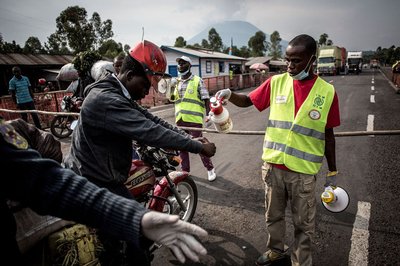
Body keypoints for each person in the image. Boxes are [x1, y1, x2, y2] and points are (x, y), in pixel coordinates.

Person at [64, 40, 216, 265]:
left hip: (97, 169)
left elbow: (151, 120)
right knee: (139, 232)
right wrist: (198, 147)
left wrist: (187, 138)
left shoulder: (115, 90)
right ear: (130, 75)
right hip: (95, 180)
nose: (149, 91)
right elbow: (150, 131)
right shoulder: (107, 99)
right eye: (147, 84)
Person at [0, 118, 208, 265]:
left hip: (80, 172)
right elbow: (148, 127)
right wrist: (137, 219)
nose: (148, 86)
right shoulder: (108, 98)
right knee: (137, 248)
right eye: (147, 80)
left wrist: (137, 219)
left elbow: (44, 179)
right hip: (100, 175)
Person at [216, 34, 340, 266]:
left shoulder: (328, 93)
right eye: (287, 60)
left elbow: (329, 136)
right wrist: (229, 95)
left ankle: (301, 261)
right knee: (273, 216)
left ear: (312, 60)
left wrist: (332, 172)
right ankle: (275, 250)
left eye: (296, 61)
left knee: (304, 223)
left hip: (303, 172)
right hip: (273, 167)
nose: (290, 66)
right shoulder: (276, 82)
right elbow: (248, 101)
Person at [170, 55, 217, 181]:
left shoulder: (197, 80)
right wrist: (170, 87)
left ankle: (210, 168)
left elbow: (205, 98)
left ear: (189, 65)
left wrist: (208, 115)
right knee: (182, 146)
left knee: (199, 145)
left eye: (183, 63)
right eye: (179, 63)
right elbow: (173, 99)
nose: (180, 65)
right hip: (180, 119)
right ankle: (185, 171)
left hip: (194, 119)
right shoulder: (177, 82)